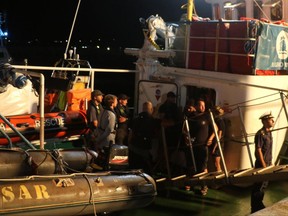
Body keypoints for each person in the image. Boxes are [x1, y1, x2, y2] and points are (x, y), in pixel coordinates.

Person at [187, 98, 215, 195]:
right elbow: (185, 129)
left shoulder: (207, 116)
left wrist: (210, 139)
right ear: (196, 106)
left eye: (204, 106)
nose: (203, 107)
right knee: (192, 165)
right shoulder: (191, 117)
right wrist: (186, 138)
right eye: (200, 105)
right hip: (193, 145)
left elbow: (215, 128)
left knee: (203, 167)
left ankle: (204, 186)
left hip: (203, 146)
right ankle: (191, 183)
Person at [251, 111, 274, 213]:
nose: (273, 121)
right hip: (262, 163)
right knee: (259, 185)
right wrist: (264, 165)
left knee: (264, 184)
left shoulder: (269, 132)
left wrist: (270, 163)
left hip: (268, 162)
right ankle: (255, 206)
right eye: (270, 119)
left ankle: (259, 203)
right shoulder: (260, 134)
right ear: (264, 121)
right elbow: (258, 149)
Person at [128, 101, 160, 174]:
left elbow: (131, 134)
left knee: (133, 170)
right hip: (144, 150)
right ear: (151, 109)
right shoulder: (153, 120)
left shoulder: (135, 119)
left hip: (133, 147)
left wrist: (129, 145)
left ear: (143, 109)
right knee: (145, 171)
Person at [210, 105, 225, 172]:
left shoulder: (219, 120)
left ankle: (219, 175)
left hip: (218, 143)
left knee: (216, 163)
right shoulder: (220, 120)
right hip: (219, 142)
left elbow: (219, 134)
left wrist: (215, 146)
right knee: (216, 163)